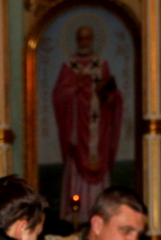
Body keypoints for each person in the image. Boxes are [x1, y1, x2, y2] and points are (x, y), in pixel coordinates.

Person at [52, 25, 124, 222]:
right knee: (77, 172)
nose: (84, 43)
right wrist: (77, 87)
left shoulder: (101, 64)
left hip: (99, 129)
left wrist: (110, 98)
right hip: (77, 131)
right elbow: (59, 95)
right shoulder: (70, 66)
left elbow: (112, 95)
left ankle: (101, 215)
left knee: (97, 165)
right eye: (81, 39)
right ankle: (76, 217)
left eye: (87, 38)